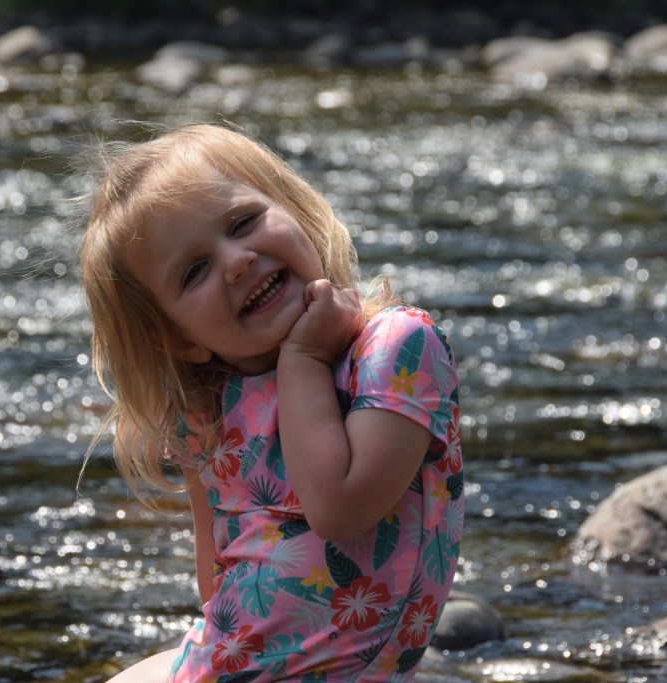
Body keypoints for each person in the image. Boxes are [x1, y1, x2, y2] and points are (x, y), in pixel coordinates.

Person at [79, 123, 463, 682]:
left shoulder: (396, 348)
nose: (236, 260)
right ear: (181, 339)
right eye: (195, 271)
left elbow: (339, 509)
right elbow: (217, 586)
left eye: (242, 223)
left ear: (295, 212)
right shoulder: (206, 412)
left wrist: (304, 359)